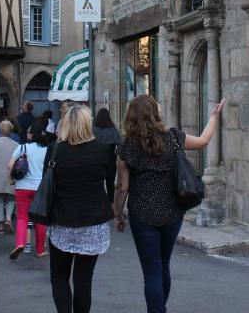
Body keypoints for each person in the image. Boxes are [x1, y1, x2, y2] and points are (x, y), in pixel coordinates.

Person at [114, 95, 225, 313]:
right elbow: (203, 142)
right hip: (172, 213)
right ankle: (160, 308)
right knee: (163, 265)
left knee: (151, 272)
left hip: (142, 215)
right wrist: (213, 117)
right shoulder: (173, 137)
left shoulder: (126, 147)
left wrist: (117, 215)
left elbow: (122, 188)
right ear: (155, 114)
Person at [44, 105, 114, 313]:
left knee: (59, 276)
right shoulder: (102, 150)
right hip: (92, 222)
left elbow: (46, 183)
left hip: (61, 219)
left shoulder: (55, 149)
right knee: (84, 279)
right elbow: (109, 183)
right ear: (87, 124)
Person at [8, 121, 49, 260]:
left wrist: (11, 180)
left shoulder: (22, 147)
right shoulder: (47, 149)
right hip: (40, 188)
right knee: (40, 218)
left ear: (32, 134)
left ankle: (20, 243)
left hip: (22, 187)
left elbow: (10, 165)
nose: (27, 133)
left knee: (22, 217)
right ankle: (40, 250)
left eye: (29, 131)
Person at [93, 108, 121, 202]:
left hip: (96, 159)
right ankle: (111, 202)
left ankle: (99, 201)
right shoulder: (113, 129)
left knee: (97, 183)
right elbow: (120, 144)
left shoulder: (93, 129)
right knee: (110, 183)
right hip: (110, 159)